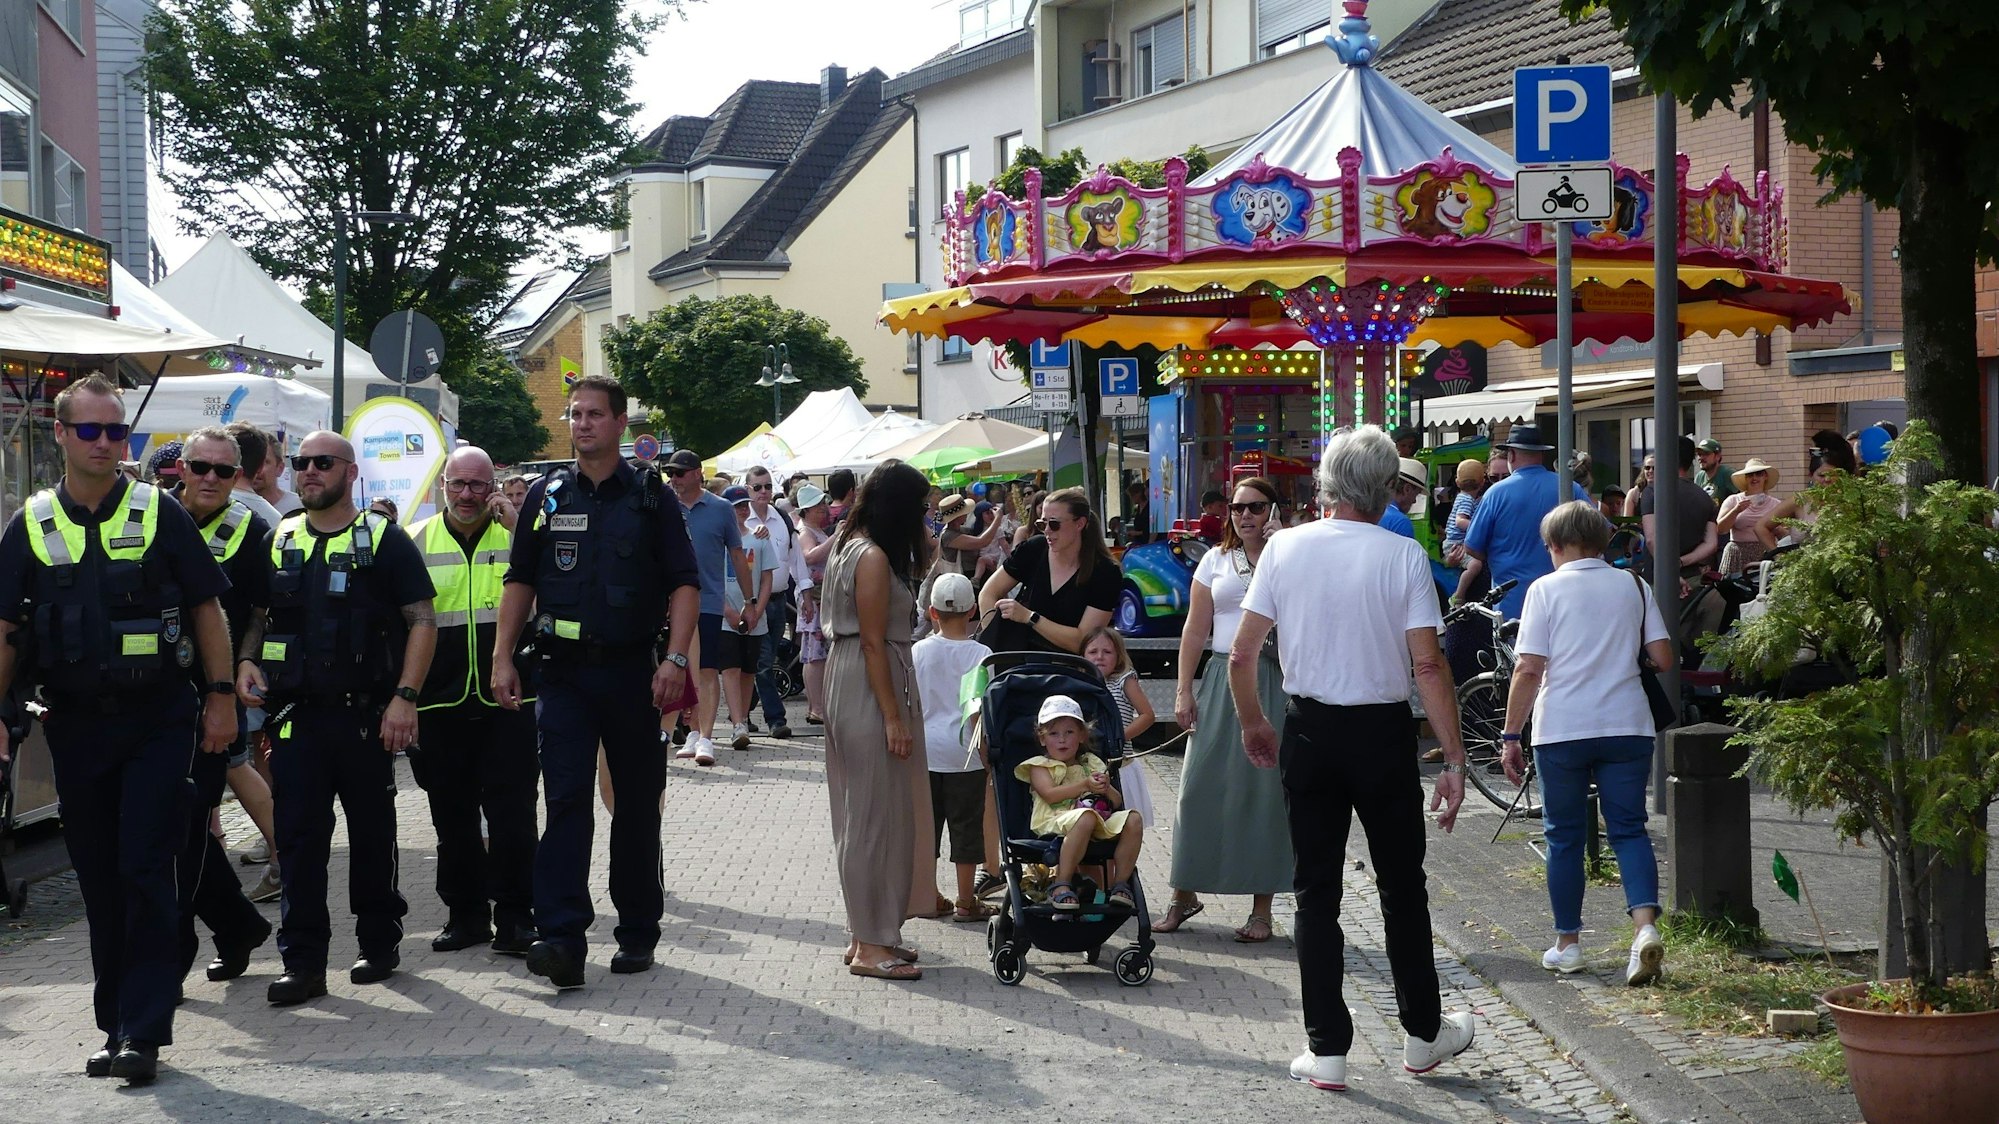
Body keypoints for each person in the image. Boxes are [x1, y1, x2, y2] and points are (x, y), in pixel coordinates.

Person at [0, 375, 237, 1084]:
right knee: (100, 880)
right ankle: (115, 1026)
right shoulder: (32, 524)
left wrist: (221, 697)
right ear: (63, 434)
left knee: (144, 866)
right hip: (74, 729)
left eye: (116, 431)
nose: (106, 443)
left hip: (158, 720)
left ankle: (143, 1030)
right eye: (92, 430)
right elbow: (8, 631)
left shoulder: (160, 513)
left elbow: (207, 612)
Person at [1229, 424, 1476, 1094]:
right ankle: (1422, 1036)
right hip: (1382, 736)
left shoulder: (1283, 547)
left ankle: (1327, 1049)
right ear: (1389, 487)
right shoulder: (1399, 555)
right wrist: (1452, 759)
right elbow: (1427, 664)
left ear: (1326, 484)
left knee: (1315, 891)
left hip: (1308, 731)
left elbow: (1242, 653)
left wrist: (1254, 721)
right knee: (1402, 889)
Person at [491, 373, 701, 990]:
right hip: (561, 674)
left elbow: (685, 583)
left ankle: (637, 930)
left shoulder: (650, 497)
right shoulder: (546, 495)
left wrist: (677, 660)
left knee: (635, 807)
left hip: (634, 673)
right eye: (575, 415)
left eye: (592, 414)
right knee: (563, 803)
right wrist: (504, 656)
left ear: (619, 424)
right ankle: (560, 938)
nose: (580, 424)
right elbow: (519, 582)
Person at [234, 430, 437, 1006]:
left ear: (349, 472)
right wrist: (247, 659)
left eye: (323, 463)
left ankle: (378, 942)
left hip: (365, 717)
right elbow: (259, 614)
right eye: (302, 464)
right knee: (298, 841)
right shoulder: (280, 539)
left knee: (373, 836)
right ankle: (302, 962)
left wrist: (406, 696)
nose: (309, 472)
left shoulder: (384, 539)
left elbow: (421, 619)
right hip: (296, 718)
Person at [1499, 500, 1671, 986]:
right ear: (1601, 542)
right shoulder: (1634, 585)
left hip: (1563, 729)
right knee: (1630, 830)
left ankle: (1569, 945)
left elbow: (1528, 668)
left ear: (1555, 545)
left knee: (1565, 837)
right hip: (1627, 724)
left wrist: (1511, 734)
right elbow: (1662, 656)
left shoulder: (1545, 590)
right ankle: (1644, 930)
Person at [407, 445, 539, 957]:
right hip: (439, 704)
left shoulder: (517, 541)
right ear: (443, 486)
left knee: (513, 815)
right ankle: (464, 916)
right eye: (458, 485)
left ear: (495, 487)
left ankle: (515, 918)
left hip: (509, 702)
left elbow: (545, 601)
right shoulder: (415, 541)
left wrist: (519, 528)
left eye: (478, 485)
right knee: (451, 817)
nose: (467, 495)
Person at [166, 428, 275, 989]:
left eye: (223, 471)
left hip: (214, 702)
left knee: (183, 829)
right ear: (181, 468)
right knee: (180, 830)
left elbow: (259, 610)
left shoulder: (251, 530)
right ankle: (236, 925)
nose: (210, 479)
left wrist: (240, 668)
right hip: (153, 696)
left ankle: (172, 957)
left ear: (240, 477)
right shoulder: (155, 516)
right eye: (200, 467)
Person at [1161, 477, 1293, 942]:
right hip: (1221, 676)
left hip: (1273, 676)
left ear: (1274, 510)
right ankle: (1183, 892)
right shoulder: (1214, 561)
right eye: (1238, 508)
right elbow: (1195, 629)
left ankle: (1262, 909)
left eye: (1257, 507)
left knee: (1265, 794)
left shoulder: (1291, 557)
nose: (1246, 516)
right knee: (1197, 789)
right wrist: (1183, 689)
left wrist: (1284, 549)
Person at [820, 461, 937, 980]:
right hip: (870, 683)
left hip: (856, 679)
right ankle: (870, 944)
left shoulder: (852, 544)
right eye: (921, 507)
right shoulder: (870, 557)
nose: (925, 517)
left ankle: (867, 932)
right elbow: (871, 641)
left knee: (862, 815)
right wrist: (894, 718)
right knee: (872, 819)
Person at [220, 423, 284, 901]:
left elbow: (260, 603)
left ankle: (283, 851)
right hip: (245, 660)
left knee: (244, 758)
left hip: (240, 664)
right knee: (243, 758)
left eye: (216, 467)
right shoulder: (260, 510)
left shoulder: (248, 515)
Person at [663, 448, 754, 764]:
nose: (673, 479)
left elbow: (738, 556)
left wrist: (749, 600)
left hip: (709, 601)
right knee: (680, 670)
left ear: (697, 473)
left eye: (680, 473)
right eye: (670, 473)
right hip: (670, 603)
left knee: (706, 669)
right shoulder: (665, 505)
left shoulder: (721, 508)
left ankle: (706, 737)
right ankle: (690, 731)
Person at [912, 572, 993, 924]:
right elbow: (977, 708)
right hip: (966, 755)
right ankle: (965, 900)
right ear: (973, 611)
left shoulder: (919, 650)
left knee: (927, 828)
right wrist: (987, 753)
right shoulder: (982, 654)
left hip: (925, 753)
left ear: (932, 612)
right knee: (966, 828)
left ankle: (928, 895)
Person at [1014, 695, 1144, 913]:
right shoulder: (1040, 766)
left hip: (1096, 821)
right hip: (1054, 820)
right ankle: (1061, 883)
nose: (1062, 740)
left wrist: (1106, 788)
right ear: (1042, 739)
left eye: (1069, 732)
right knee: (1085, 817)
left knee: (1133, 818)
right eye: (1054, 734)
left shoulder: (1091, 763)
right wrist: (1085, 785)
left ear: (1082, 735)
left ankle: (1120, 884)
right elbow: (1050, 795)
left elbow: (1116, 802)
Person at [1456, 424, 1592, 622]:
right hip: (1564, 599)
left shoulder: (1495, 494)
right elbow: (1598, 532)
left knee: (1516, 652)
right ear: (1541, 454)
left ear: (1511, 455)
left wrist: (1499, 555)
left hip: (1511, 601)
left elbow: (1472, 546)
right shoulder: (1569, 488)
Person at [979, 487, 1121, 654]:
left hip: (1071, 670)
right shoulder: (1034, 549)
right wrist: (994, 645)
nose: (1046, 530)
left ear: (1080, 524)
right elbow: (987, 594)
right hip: (1018, 664)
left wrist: (1030, 617)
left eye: (1054, 524)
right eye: (1042, 523)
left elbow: (1084, 641)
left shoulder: (1105, 572)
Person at [1641, 436, 1721, 642]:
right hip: (1693, 581)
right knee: (1687, 642)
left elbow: (1651, 539)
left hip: (1657, 579)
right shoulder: (1705, 498)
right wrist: (1682, 562)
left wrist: (1669, 571)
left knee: (1657, 640)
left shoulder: (1652, 492)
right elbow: (1711, 544)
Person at [721, 484, 779, 753]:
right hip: (726, 615)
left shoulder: (759, 539)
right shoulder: (717, 540)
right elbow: (709, 579)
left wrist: (758, 608)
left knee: (748, 670)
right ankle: (737, 724)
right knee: (730, 668)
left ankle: (742, 718)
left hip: (755, 615)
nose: (743, 510)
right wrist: (727, 610)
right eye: (737, 506)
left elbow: (767, 578)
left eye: (745, 505)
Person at [741, 465, 798, 739]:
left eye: (768, 487)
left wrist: (805, 591)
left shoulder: (782, 518)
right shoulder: (742, 519)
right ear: (748, 490)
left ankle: (741, 710)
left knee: (762, 660)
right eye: (758, 487)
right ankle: (776, 719)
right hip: (754, 601)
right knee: (764, 662)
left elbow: (794, 556)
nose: (764, 492)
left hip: (779, 600)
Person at [1081, 625, 1155, 826]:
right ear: (1082, 656)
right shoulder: (1080, 685)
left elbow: (1147, 715)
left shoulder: (1123, 680)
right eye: (1093, 652)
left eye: (1107, 652)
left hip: (1121, 765)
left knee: (1124, 824)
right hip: (1091, 768)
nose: (1100, 657)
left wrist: (1119, 736)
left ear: (1118, 656)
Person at [1755, 432, 1857, 553]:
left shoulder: (1851, 501)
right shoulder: (1800, 500)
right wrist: (1777, 556)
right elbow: (1761, 527)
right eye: (1822, 475)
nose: (1827, 480)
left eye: (1833, 475)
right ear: (1811, 475)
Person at [793, 484, 834, 726]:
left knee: (816, 653)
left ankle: (817, 706)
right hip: (812, 598)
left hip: (821, 597)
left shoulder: (815, 529)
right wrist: (835, 538)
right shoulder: (805, 532)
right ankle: (816, 707)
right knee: (814, 654)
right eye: (818, 507)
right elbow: (809, 557)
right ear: (806, 511)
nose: (824, 510)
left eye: (824, 506)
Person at [1715, 457, 1781, 574]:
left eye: (1759, 474)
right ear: (1745, 478)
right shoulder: (1733, 500)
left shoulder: (1776, 504)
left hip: (1764, 552)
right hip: (1737, 552)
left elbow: (1785, 533)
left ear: (1765, 476)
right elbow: (1720, 529)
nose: (1754, 478)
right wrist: (1736, 510)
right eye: (1750, 474)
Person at [1442, 459, 1486, 570]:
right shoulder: (1466, 499)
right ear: (1482, 482)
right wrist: (1479, 527)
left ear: (1457, 482)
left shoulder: (1469, 499)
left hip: (1457, 543)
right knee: (1475, 565)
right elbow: (1460, 521)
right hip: (1456, 544)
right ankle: (1461, 588)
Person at [1692, 438, 1737, 506]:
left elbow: (1741, 499)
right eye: (1699, 454)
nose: (1701, 458)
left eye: (1706, 454)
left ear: (1717, 456)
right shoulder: (1699, 477)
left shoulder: (1727, 474)